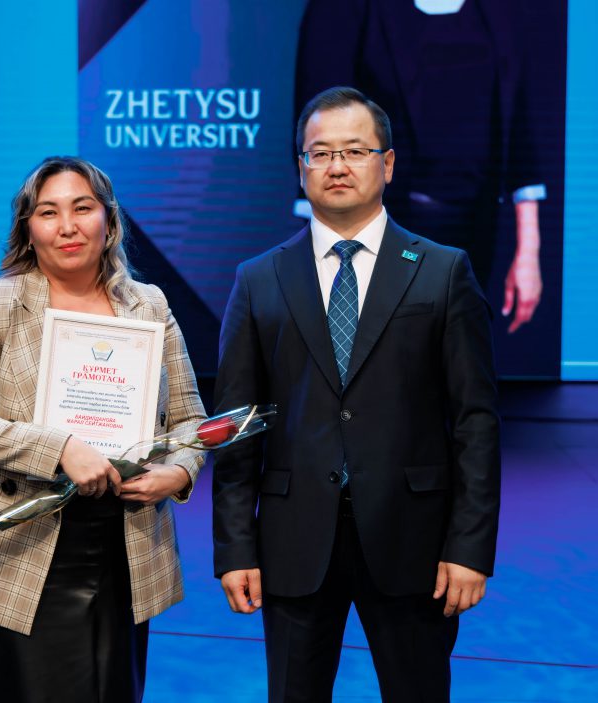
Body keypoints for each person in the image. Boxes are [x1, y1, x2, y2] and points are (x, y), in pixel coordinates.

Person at [213, 88, 501, 702]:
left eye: (354, 151)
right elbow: (238, 426)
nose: (337, 166)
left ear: (387, 163)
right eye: (320, 153)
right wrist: (234, 548)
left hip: (414, 542)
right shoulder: (259, 279)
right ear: (301, 168)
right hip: (293, 542)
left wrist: (470, 548)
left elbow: (474, 422)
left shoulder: (442, 270)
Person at [0, 156, 206, 703]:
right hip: (21, 551)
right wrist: (60, 448)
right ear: (28, 229)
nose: (68, 226)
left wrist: (180, 473)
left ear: (109, 221)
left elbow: (190, 417)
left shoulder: (149, 305)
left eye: (83, 208)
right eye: (48, 212)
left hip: (124, 548)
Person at [294, 0, 549, 333]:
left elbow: (519, 128)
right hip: (379, 233)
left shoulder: (499, 10)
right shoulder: (342, 9)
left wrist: (529, 251)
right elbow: (321, 131)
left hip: (477, 235)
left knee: (459, 355)